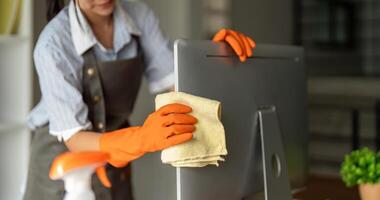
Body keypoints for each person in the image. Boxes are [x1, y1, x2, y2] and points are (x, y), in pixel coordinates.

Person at [23, 0, 256, 199]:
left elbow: (179, 84)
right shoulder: (52, 45)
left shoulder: (139, 16)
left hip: (118, 157)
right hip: (63, 164)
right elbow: (75, 139)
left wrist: (214, 59)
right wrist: (141, 139)